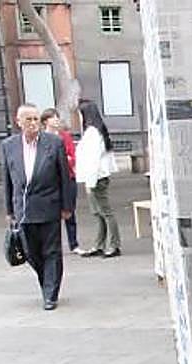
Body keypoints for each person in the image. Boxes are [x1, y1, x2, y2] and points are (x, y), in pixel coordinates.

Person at [1, 103, 74, 311]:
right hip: (23, 209)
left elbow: (64, 177)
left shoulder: (54, 143)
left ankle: (50, 294)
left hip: (49, 205)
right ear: (19, 122)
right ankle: (47, 281)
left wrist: (67, 206)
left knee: (51, 251)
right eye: (28, 120)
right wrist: (9, 210)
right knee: (31, 253)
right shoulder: (9, 146)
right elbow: (7, 179)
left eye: (35, 119)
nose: (33, 124)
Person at [74, 99, 121, 258]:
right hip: (96, 177)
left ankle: (113, 245)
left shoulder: (93, 133)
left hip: (96, 178)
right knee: (98, 213)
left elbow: (93, 160)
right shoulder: (95, 131)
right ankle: (99, 244)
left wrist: (90, 183)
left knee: (105, 212)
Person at [41, 107, 81, 254]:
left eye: (57, 117)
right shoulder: (42, 138)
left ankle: (74, 243)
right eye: (53, 117)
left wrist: (62, 161)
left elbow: (72, 157)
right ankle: (52, 245)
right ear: (45, 121)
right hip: (50, 182)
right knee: (51, 216)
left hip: (68, 178)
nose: (57, 120)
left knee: (70, 211)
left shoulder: (65, 136)